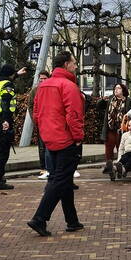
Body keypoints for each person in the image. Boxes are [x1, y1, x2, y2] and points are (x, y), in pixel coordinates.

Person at [26, 51, 84, 236]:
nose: (76, 66)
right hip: (66, 139)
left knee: (64, 179)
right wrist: (77, 137)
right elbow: (73, 115)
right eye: (74, 63)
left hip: (49, 138)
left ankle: (72, 221)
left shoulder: (43, 86)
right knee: (59, 180)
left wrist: (44, 131)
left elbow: (36, 113)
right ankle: (39, 218)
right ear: (66, 64)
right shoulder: (69, 86)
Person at [0, 63, 26, 190]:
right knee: (3, 152)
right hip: (3, 120)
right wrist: (6, 121)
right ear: (10, 75)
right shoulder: (8, 85)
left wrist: (17, 74)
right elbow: (5, 102)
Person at [28, 70, 53, 180]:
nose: (42, 81)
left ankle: (51, 168)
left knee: (50, 146)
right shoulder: (35, 91)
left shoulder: (52, 89)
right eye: (41, 79)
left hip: (51, 122)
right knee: (42, 147)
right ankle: (43, 168)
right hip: (40, 122)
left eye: (44, 79)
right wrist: (35, 120)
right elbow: (30, 105)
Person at [101, 83, 129, 174]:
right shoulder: (110, 99)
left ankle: (120, 166)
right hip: (110, 128)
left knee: (121, 148)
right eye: (115, 88)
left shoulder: (128, 101)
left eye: (119, 88)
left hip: (121, 130)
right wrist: (102, 100)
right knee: (108, 149)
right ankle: (109, 166)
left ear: (123, 90)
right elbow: (98, 106)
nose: (116, 90)